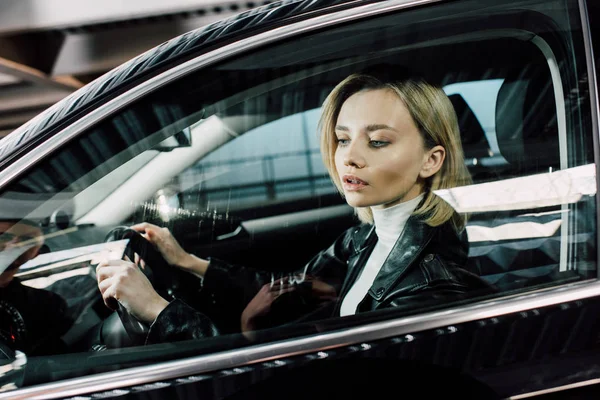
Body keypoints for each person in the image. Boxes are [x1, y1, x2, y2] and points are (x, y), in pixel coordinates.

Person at [96, 70, 491, 344]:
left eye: (378, 141)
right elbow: (285, 286)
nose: (348, 158)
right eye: (342, 139)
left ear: (431, 160)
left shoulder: (429, 288)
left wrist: (159, 311)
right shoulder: (368, 236)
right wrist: (186, 262)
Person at [0, 219, 73, 355]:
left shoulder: (48, 304)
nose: (15, 243)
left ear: (37, 253)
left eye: (27, 240)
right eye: (4, 236)